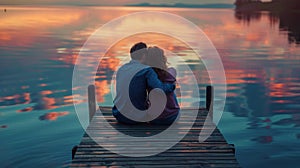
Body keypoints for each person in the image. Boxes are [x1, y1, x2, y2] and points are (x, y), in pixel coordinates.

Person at [112, 42, 176, 124]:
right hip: (136, 117)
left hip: (118, 114)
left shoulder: (121, 69)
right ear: (144, 56)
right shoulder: (146, 70)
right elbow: (159, 89)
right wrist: (172, 86)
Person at [145, 46, 180, 125]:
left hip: (154, 119)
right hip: (172, 117)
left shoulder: (147, 75)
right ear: (162, 59)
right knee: (171, 89)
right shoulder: (171, 71)